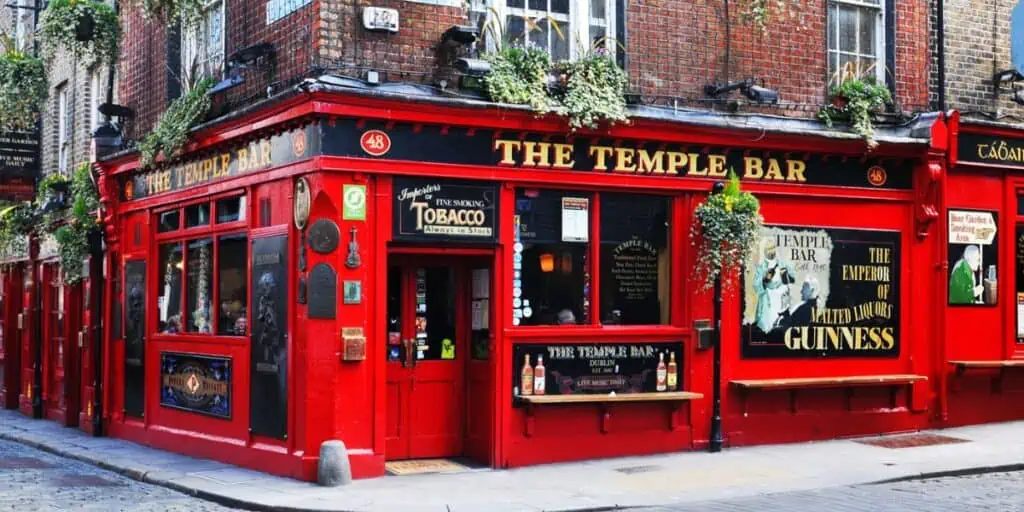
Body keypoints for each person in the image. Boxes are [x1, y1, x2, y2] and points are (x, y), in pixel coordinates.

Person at [752, 239, 796, 333]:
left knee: (781, 328)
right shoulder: (761, 267)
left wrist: (786, 275)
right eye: (768, 249)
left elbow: (793, 279)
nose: (770, 251)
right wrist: (764, 280)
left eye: (772, 248)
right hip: (768, 301)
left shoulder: (782, 263)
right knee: (768, 327)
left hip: (781, 300)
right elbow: (756, 285)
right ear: (764, 251)